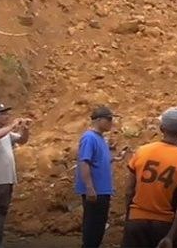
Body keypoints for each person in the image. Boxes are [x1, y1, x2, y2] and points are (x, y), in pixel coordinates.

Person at [122, 107, 177, 248]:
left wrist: (130, 218)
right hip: (164, 224)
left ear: (162, 128)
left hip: (136, 221)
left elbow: (128, 190)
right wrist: (171, 235)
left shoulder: (142, 151)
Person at [0, 103, 31, 248]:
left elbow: (22, 140)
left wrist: (25, 129)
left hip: (6, 177)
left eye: (7, 113)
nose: (7, 116)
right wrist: (12, 126)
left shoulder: (6, 133)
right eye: (2, 113)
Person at [75, 106, 115, 248]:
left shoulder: (100, 138)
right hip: (96, 191)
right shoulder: (89, 138)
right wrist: (89, 188)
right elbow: (84, 162)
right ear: (98, 120)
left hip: (102, 190)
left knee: (98, 227)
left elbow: (97, 160)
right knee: (93, 229)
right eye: (109, 119)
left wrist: (114, 159)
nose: (111, 122)